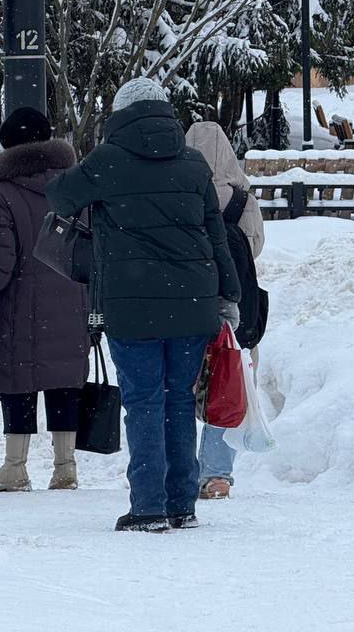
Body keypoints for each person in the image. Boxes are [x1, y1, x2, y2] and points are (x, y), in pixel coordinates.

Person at [47, 77, 241, 532]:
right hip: (193, 304)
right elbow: (215, 236)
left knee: (144, 403)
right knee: (177, 401)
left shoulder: (108, 161)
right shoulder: (193, 165)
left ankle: (149, 505)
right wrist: (228, 294)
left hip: (132, 309)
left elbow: (59, 197)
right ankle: (181, 504)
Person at [0, 107, 89, 492]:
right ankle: (66, 467)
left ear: (7, 145)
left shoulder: (4, 194)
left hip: (18, 308)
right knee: (63, 380)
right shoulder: (77, 187)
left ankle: (15, 466)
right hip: (72, 303)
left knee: (18, 378)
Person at [186, 120, 266, 501]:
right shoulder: (241, 198)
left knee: (183, 384)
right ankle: (217, 474)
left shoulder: (181, 192)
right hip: (232, 304)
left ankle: (181, 467)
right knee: (224, 382)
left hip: (186, 299)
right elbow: (255, 247)